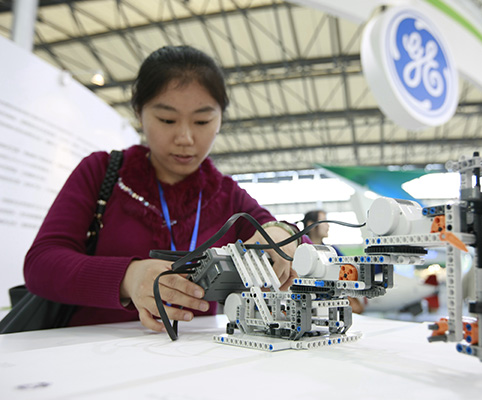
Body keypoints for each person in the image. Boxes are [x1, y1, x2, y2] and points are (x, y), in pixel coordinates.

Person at [23, 45, 298, 332]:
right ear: (139, 113)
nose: (185, 138)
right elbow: (41, 264)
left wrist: (283, 235)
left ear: (220, 119)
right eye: (167, 120)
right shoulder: (102, 173)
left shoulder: (227, 197)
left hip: (197, 354)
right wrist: (128, 277)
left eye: (202, 121)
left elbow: (281, 232)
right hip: (93, 350)